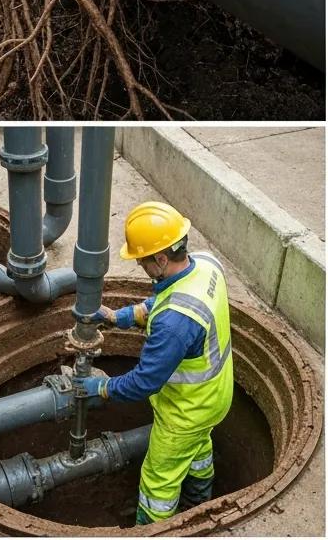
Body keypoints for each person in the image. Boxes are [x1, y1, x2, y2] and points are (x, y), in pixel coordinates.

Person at [81, 201, 233, 525]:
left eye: (142, 260)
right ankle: (198, 503)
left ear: (161, 258)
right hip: (214, 397)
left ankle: (151, 528)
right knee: (198, 450)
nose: (140, 266)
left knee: (158, 480)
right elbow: (165, 297)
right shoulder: (207, 264)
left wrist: (103, 388)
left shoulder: (174, 325)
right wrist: (117, 317)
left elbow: (144, 382)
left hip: (185, 412)